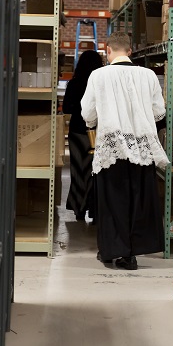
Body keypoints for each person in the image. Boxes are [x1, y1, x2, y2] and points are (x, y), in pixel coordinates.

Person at [80, 32, 168, 270]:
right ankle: (131, 255)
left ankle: (111, 251)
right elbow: (159, 111)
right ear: (130, 51)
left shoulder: (98, 75)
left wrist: (96, 123)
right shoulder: (148, 75)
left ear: (107, 51)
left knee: (112, 201)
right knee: (139, 200)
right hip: (142, 146)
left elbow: (87, 113)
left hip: (111, 147)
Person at [62, 50, 104, 221]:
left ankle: (79, 208)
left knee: (78, 170)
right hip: (98, 131)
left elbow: (66, 109)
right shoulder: (101, 84)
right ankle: (95, 210)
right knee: (98, 170)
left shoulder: (74, 83)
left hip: (78, 131)